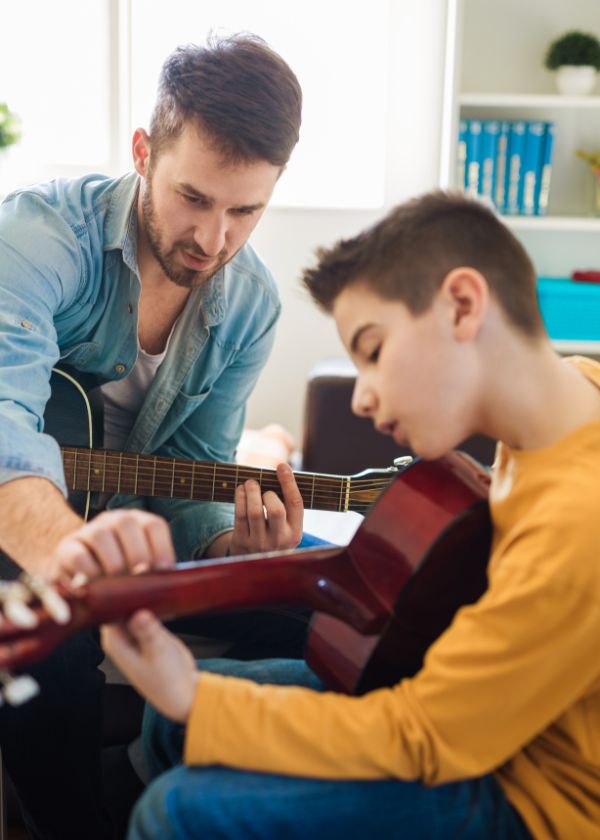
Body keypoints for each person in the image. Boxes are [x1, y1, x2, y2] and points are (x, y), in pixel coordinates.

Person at [97, 191, 600, 839]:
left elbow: (423, 736)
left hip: (533, 797)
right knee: (171, 721)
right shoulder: (574, 393)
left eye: (373, 349)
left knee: (177, 808)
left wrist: (192, 693)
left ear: (464, 305)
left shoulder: (575, 523)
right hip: (485, 721)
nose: (361, 398)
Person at [0, 34, 307, 840]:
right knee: (53, 642)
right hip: (22, 529)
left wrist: (228, 555)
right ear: (143, 151)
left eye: (246, 211)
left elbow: (193, 472)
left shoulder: (250, 305)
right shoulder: (36, 239)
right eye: (194, 198)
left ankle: (174, 796)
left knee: (309, 613)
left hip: (135, 538)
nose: (214, 240)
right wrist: (86, 571)